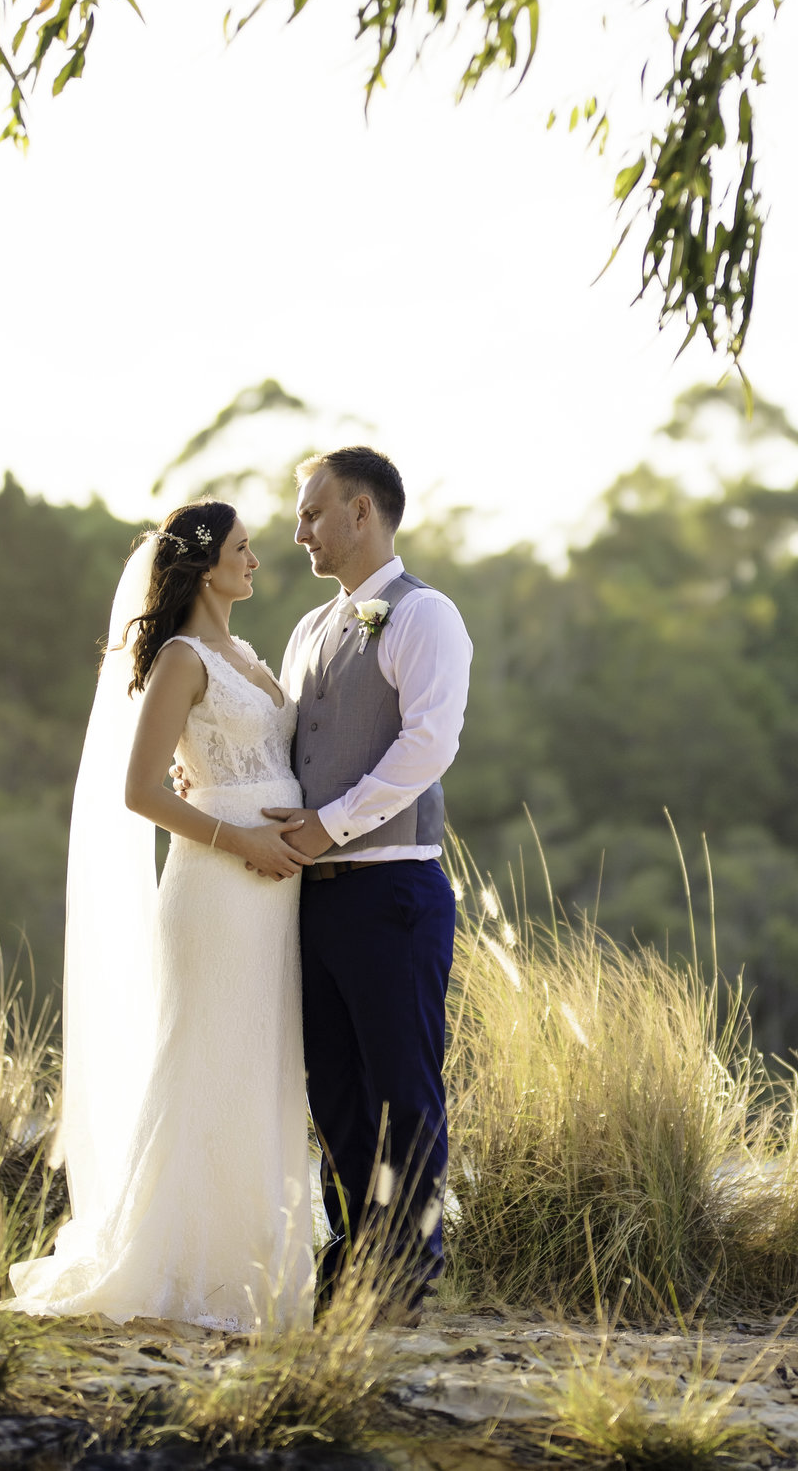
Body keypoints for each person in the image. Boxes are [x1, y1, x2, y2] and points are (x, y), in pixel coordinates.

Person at [1, 500, 320, 1331]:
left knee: (260, 1066)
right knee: (206, 1061)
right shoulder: (182, 658)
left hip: (272, 893)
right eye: (242, 548)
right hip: (216, 888)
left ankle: (252, 1265)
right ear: (206, 565)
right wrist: (242, 839)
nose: (255, 560)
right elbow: (141, 790)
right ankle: (181, 1268)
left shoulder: (245, 654)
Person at [259, 447, 473, 1315]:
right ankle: (352, 1269)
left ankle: (409, 1275)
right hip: (311, 901)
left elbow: (429, 744)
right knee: (336, 1098)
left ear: (361, 512)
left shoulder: (426, 615)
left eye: (312, 513)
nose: (299, 531)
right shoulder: (309, 629)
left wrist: (331, 823)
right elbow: (286, 745)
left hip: (393, 894)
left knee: (403, 1092)